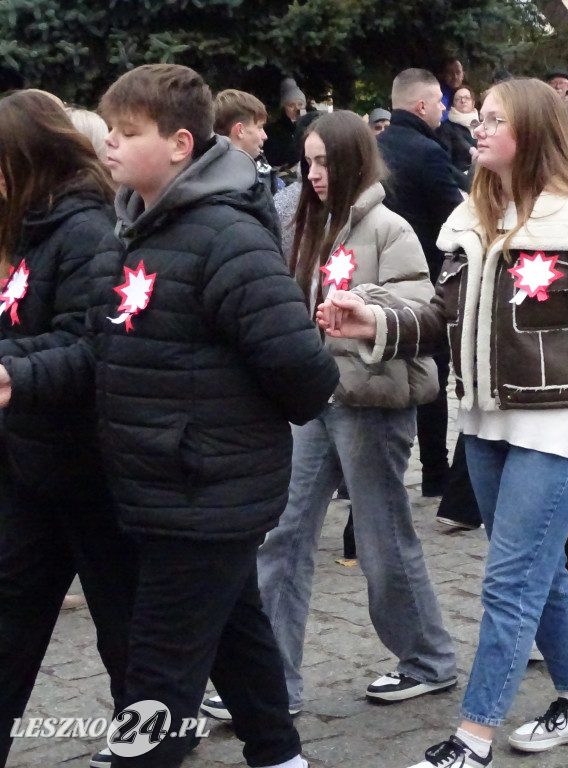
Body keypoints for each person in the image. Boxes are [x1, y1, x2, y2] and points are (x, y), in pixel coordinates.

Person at [318, 77, 568, 768]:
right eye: (477, 119)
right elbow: (441, 320)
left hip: (559, 427)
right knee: (540, 572)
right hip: (482, 422)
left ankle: (473, 736)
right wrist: (376, 320)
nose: (476, 129)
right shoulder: (468, 219)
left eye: (492, 120)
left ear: (533, 134)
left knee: (509, 581)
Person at [1, 64, 339, 768]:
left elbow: (305, 375)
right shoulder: (130, 232)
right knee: (237, 634)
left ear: (181, 144)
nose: (110, 147)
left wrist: (214, 426)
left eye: (128, 133)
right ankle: (279, 754)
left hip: (203, 487)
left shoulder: (225, 237)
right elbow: (98, 348)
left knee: (156, 679)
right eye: (110, 130)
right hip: (160, 482)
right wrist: (18, 372)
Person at [202, 111, 456, 720]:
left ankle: (427, 660)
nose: (314, 174)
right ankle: (270, 685)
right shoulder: (296, 221)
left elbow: (421, 308)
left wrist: (362, 304)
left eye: (325, 162)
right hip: (307, 400)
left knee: (381, 537)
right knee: (282, 534)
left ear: (354, 162)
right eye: (307, 162)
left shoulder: (389, 228)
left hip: (369, 401)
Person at [0, 90, 136, 766]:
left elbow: (91, 347)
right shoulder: (29, 230)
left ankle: (145, 746)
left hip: (92, 474)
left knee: (126, 635)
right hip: (32, 469)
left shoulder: (84, 231)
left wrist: (12, 371)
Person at [377, 69, 466, 496]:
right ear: (421, 106)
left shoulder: (371, 147)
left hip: (370, 278)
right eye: (439, 103)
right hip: (421, 278)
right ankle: (434, 471)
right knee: (432, 371)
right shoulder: (428, 153)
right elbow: (453, 219)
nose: (444, 110)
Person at [213, 89, 277, 195]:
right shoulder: (234, 186)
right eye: (259, 127)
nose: (265, 136)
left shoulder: (209, 174)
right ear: (240, 130)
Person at [264, 77, 306, 170]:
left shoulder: (311, 127)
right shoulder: (273, 131)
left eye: (300, 104)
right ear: (284, 108)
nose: (297, 109)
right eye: (291, 105)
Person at [438, 86, 478, 175]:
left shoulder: (480, 125)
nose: (463, 101)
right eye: (457, 99)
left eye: (467, 98)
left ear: (473, 103)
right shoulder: (446, 127)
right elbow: (446, 161)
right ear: (453, 105)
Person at [438, 57, 464, 121]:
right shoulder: (440, 95)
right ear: (443, 75)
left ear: (463, 75)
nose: (455, 77)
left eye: (458, 72)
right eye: (450, 73)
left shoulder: (466, 94)